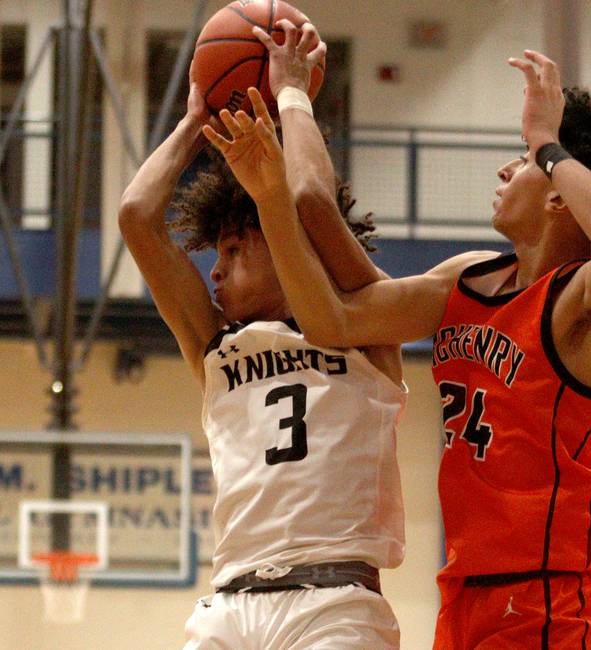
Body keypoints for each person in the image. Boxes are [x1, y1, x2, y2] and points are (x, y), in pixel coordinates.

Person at [207, 39, 591, 647]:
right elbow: (335, 318)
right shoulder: (469, 278)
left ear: (560, 192)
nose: (506, 169)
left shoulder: (587, 305)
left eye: (522, 161)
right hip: (461, 593)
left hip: (545, 598)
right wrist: (290, 106)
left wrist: (547, 144)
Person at [118, 22, 406, 649]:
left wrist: (292, 97)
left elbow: (309, 202)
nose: (214, 270)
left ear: (283, 246)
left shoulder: (365, 323)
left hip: (335, 601)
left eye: (232, 249)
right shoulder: (213, 346)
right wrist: (196, 120)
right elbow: (138, 217)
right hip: (230, 600)